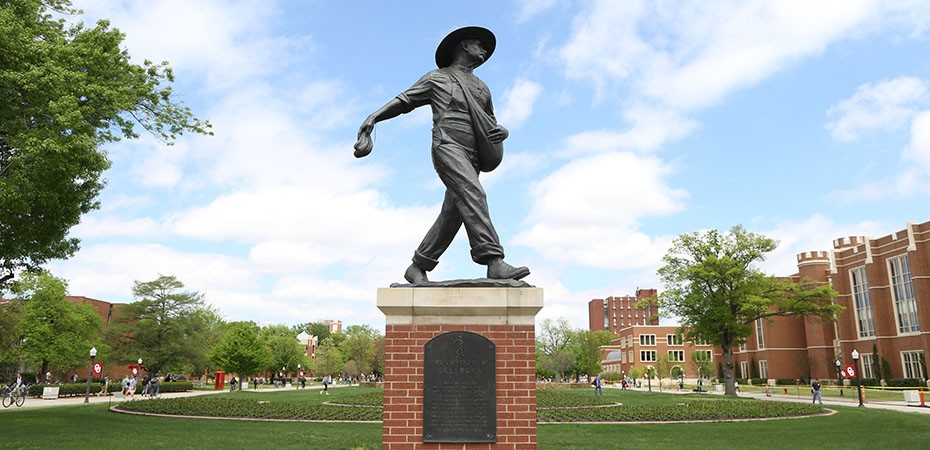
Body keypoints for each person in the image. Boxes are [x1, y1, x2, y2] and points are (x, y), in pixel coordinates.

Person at [354, 26, 529, 284]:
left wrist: (502, 132)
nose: (483, 50)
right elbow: (404, 101)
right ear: (463, 46)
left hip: (474, 153)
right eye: (478, 44)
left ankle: (419, 265)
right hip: (447, 145)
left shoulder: (482, 88)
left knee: (453, 213)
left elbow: (491, 123)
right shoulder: (437, 78)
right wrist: (373, 117)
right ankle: (494, 261)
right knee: (474, 194)